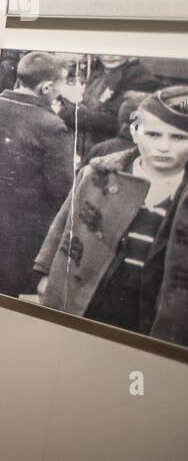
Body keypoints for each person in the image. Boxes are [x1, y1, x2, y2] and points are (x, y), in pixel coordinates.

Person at [34, 87, 188, 345]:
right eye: (153, 134)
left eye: (179, 137)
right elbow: (64, 222)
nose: (164, 147)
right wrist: (46, 273)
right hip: (92, 297)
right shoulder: (97, 176)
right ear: (134, 133)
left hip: (150, 312)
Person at [0, 53, 75, 298]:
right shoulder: (52, 126)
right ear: (47, 87)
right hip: (26, 229)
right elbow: (61, 188)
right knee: (15, 290)